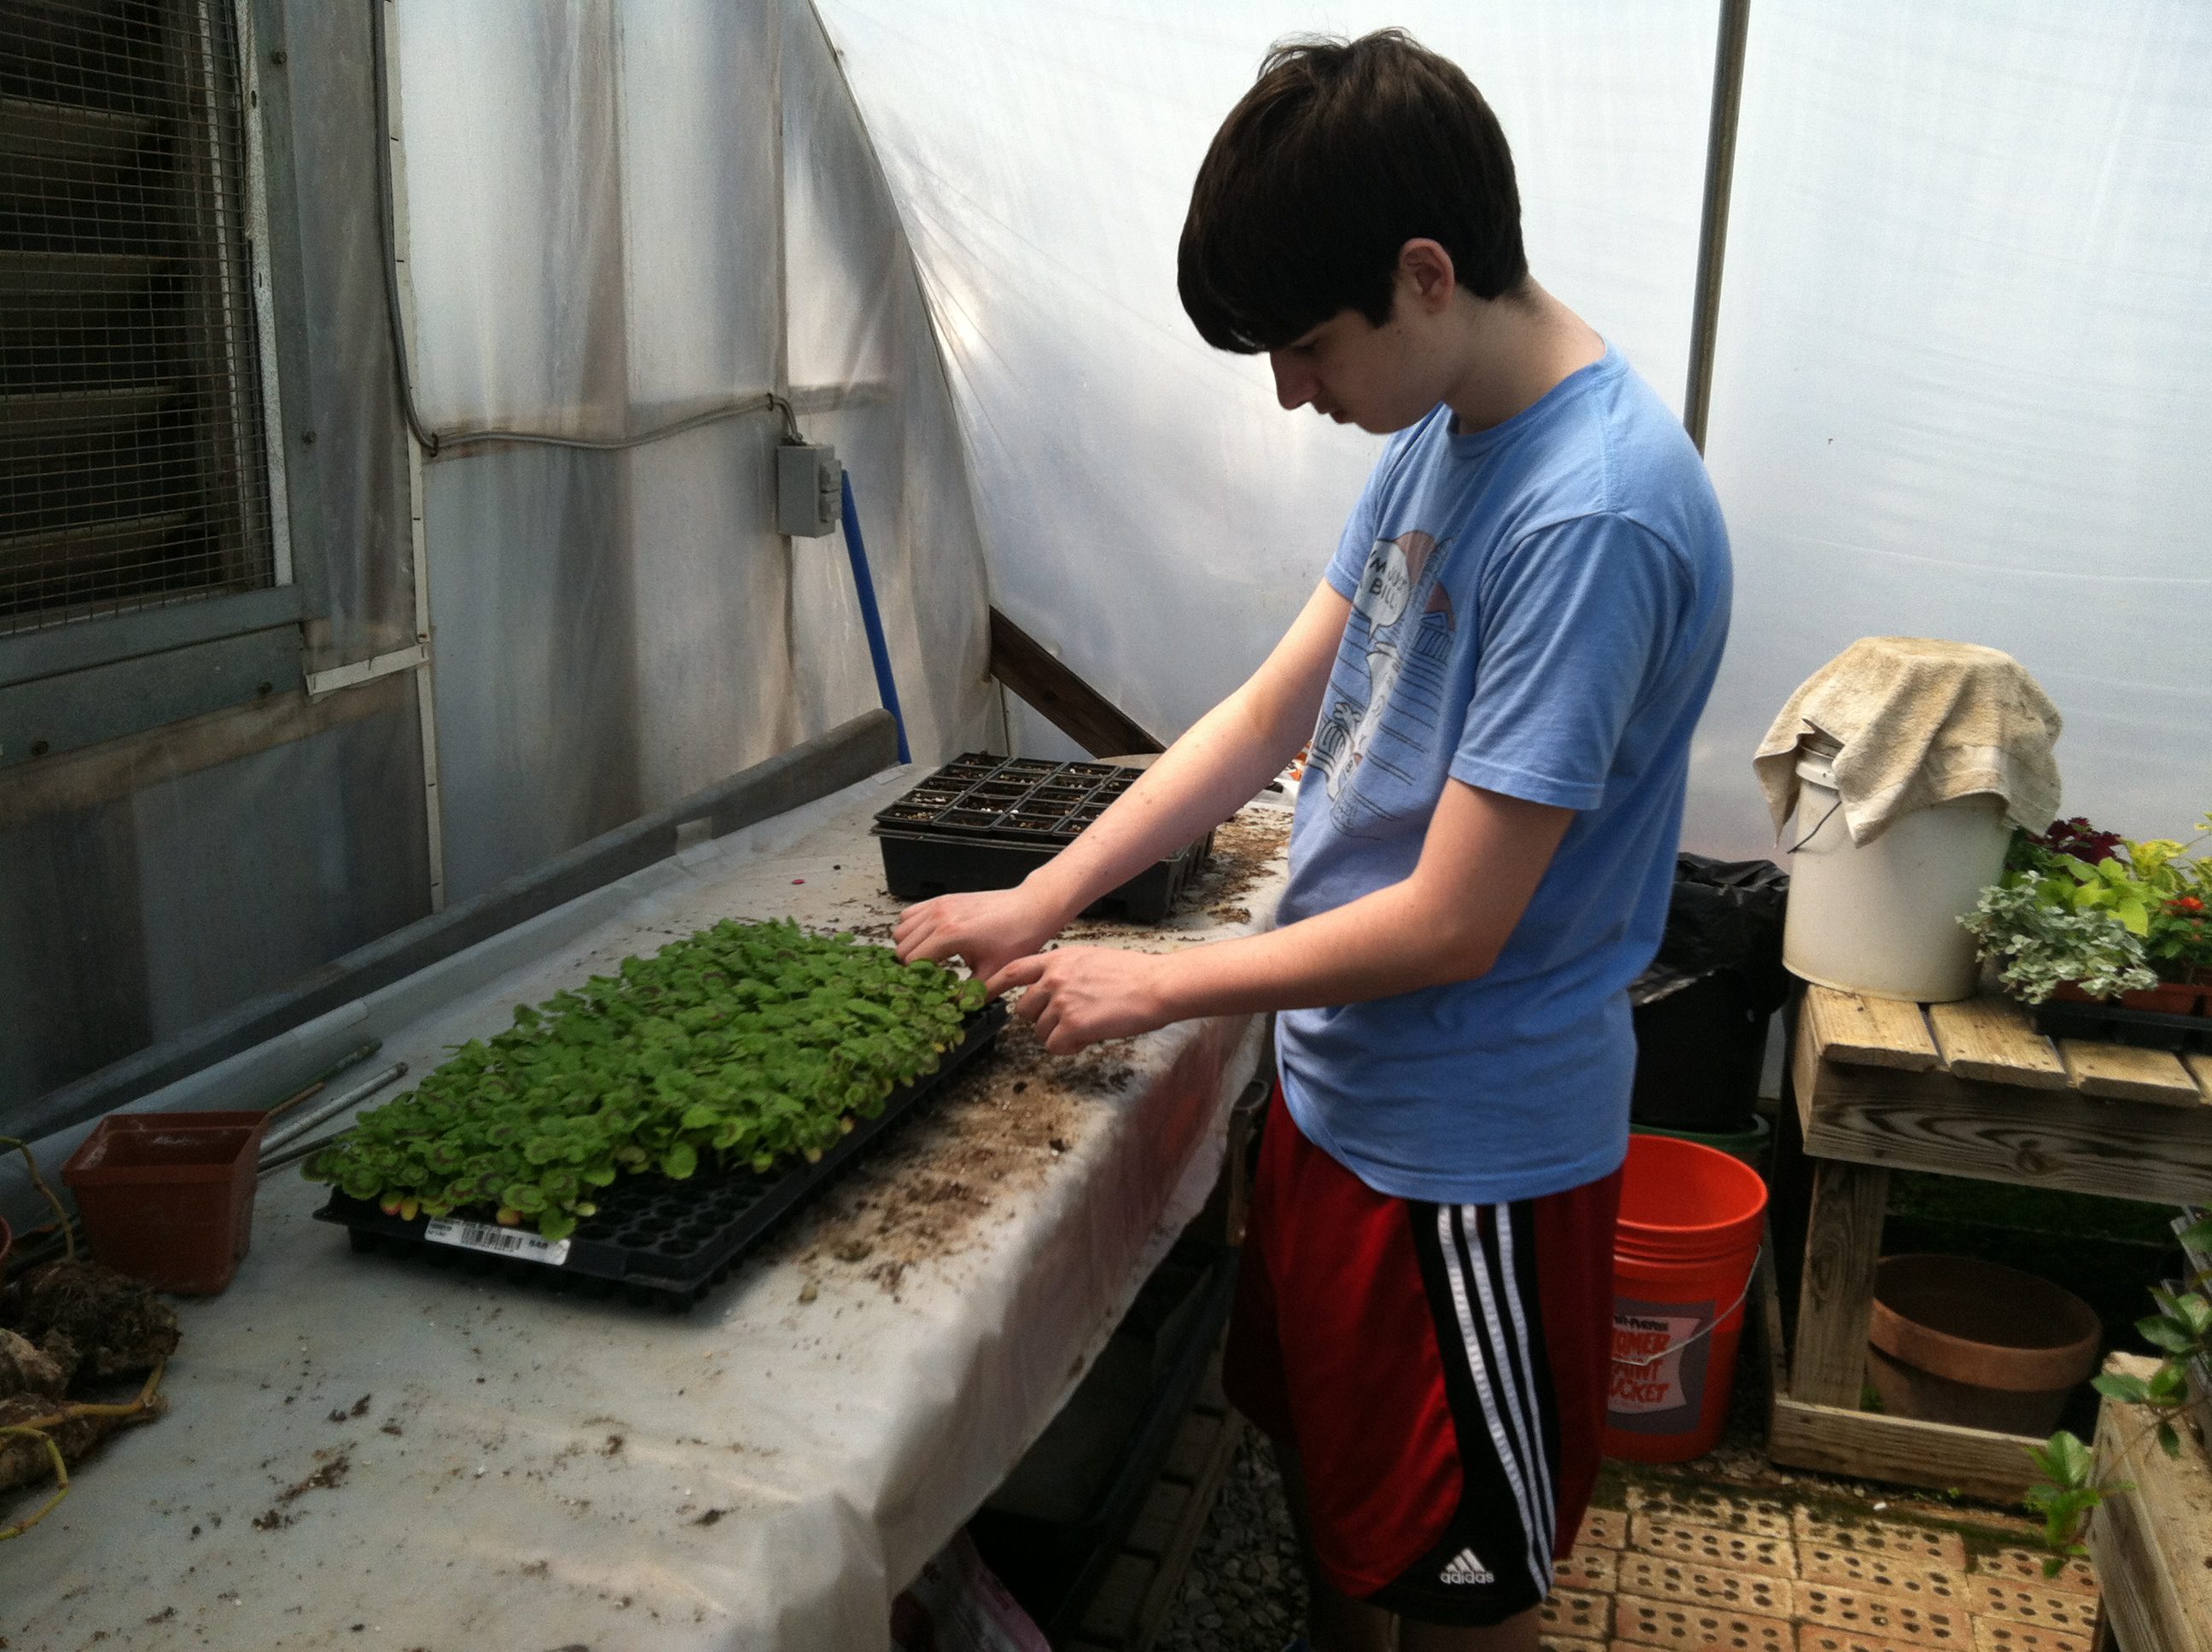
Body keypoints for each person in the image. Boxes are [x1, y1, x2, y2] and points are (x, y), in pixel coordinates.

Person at [894, 29, 1730, 1652]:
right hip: (1344, 1097)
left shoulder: (1593, 514)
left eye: (1303, 344)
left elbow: (1454, 923)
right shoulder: (1440, 436)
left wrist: (1155, 980)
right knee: (1345, 1503)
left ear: (1425, 275)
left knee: (1466, 1581)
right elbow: (1270, 714)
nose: (1290, 389)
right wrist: (1042, 897)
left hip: (1471, 1157)